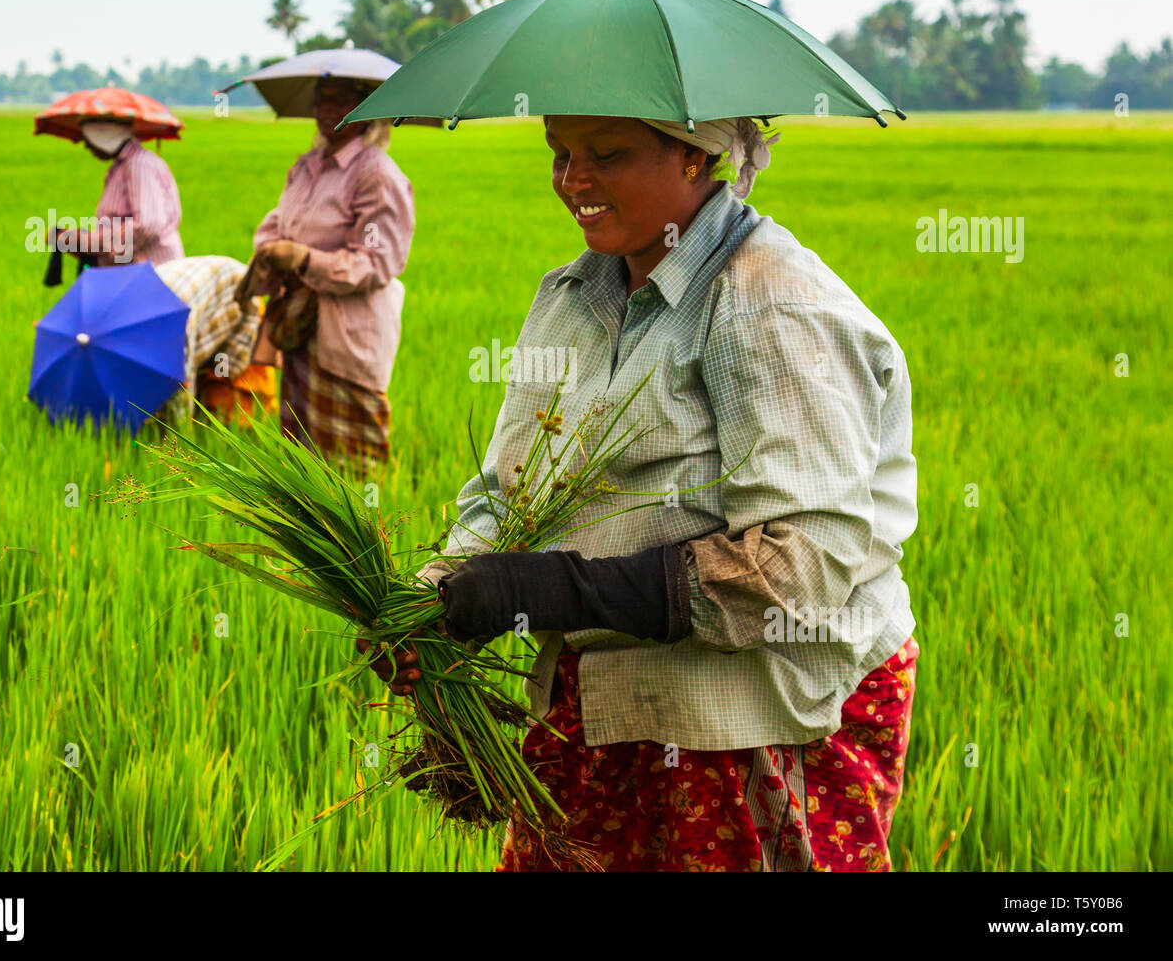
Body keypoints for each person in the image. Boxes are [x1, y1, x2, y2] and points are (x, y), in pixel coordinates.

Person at [365, 115, 919, 872]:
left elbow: (801, 568)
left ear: (696, 154)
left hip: (755, 714)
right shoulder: (569, 295)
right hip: (598, 701)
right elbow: (508, 489)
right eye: (560, 154)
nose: (572, 179)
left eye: (605, 154)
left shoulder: (770, 302)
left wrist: (548, 588)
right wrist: (443, 592)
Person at [248, 76, 414, 466]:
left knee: (351, 469)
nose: (325, 110)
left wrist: (305, 259)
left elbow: (377, 262)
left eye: (339, 100)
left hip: (347, 336)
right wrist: (273, 248)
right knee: (301, 461)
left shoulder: (377, 174)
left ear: (366, 108)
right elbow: (278, 220)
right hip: (299, 327)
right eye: (320, 100)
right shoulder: (308, 165)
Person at [152, 255, 262, 425]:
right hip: (196, 289)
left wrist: (182, 436)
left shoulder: (176, 327)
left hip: (229, 286)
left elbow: (183, 384)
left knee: (221, 376)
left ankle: (219, 419)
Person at [78, 118, 185, 266]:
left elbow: (148, 224)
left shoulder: (138, 165)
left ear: (104, 138)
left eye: (90, 140)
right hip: (132, 272)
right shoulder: (122, 166)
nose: (86, 146)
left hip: (151, 272)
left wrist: (89, 243)